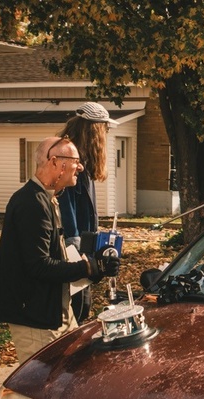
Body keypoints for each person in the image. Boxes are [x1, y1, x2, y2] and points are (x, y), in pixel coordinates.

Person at [0, 137, 120, 363]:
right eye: (76, 161)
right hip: (34, 316)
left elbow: (56, 257)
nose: (80, 167)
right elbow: (39, 266)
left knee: (69, 375)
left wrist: (94, 266)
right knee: (43, 385)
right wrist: (88, 267)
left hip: (56, 309)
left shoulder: (48, 199)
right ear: (56, 162)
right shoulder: (31, 203)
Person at [57, 102, 117, 323]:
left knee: (83, 305)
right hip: (74, 247)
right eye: (105, 129)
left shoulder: (83, 162)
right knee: (78, 307)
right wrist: (76, 248)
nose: (106, 134)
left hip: (85, 243)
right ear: (94, 130)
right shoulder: (70, 161)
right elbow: (66, 205)